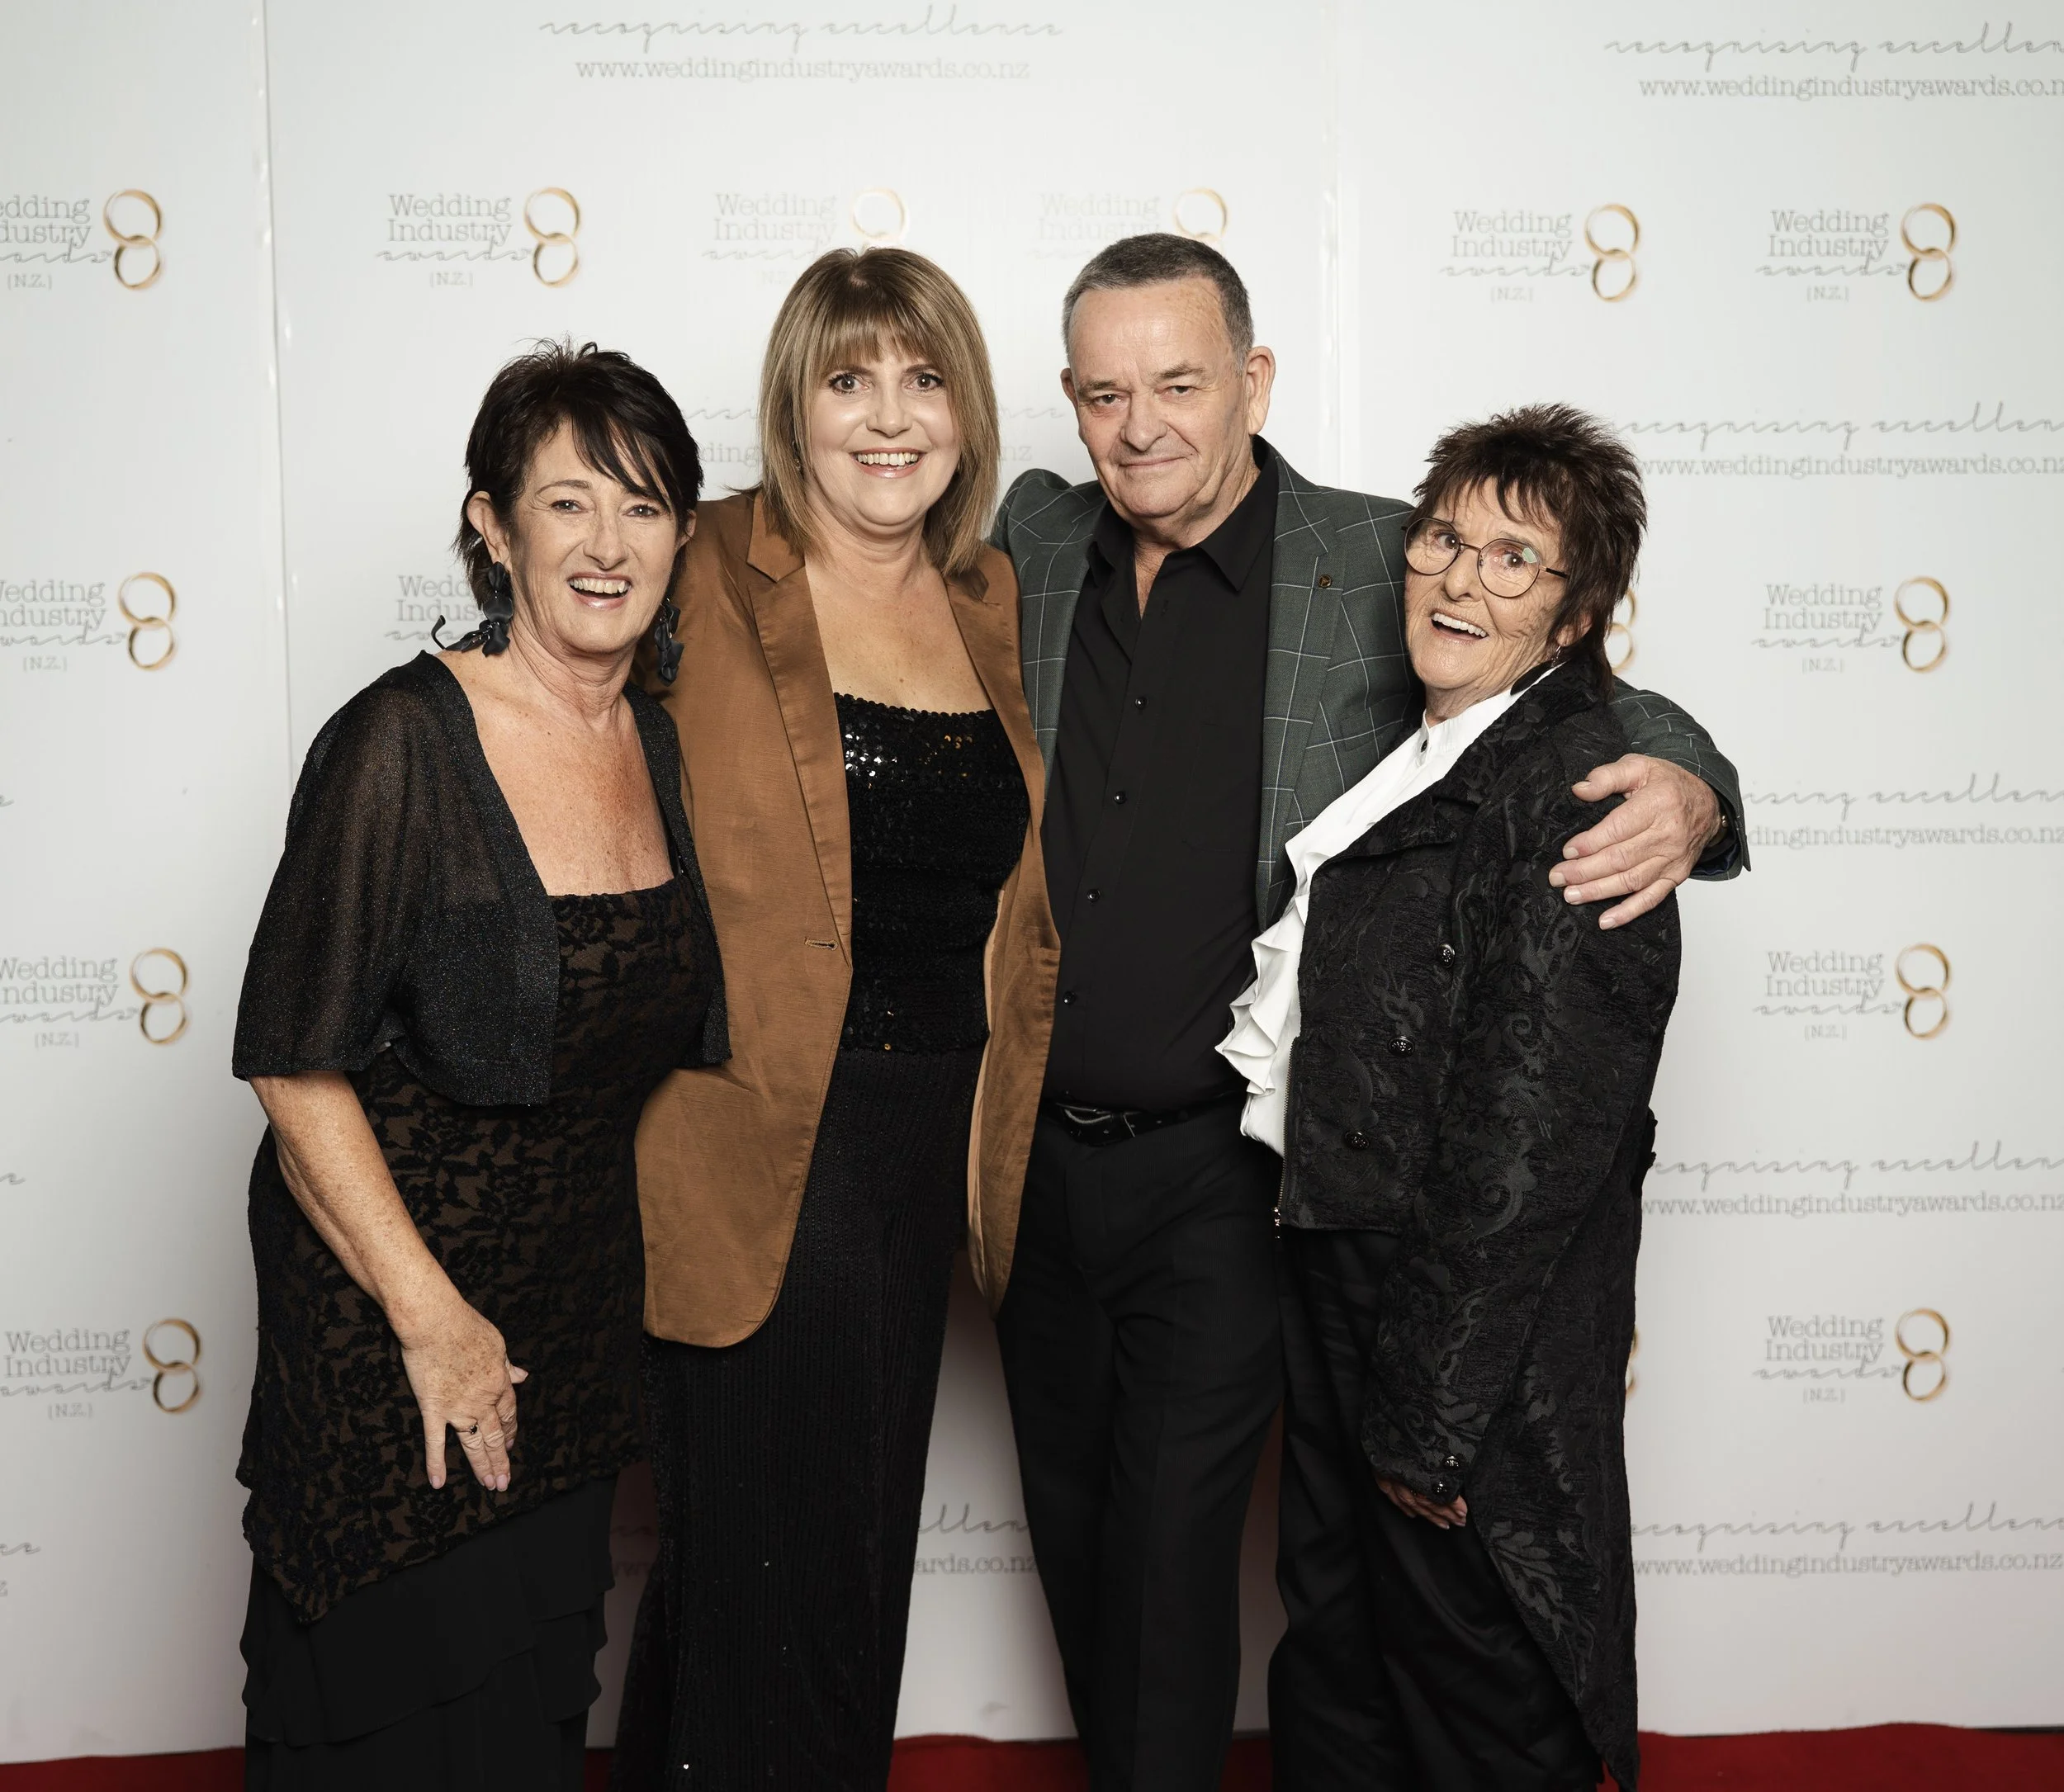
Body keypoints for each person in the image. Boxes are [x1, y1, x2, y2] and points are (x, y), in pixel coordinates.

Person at [985, 234, 1743, 1790]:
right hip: (1034, 1165)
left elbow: (1565, 667)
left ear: (1253, 383)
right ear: (1070, 402)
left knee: (1189, 1565)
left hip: (1230, 1173)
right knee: (1095, 1549)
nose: (1143, 427)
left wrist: (1692, 785)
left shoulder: (1381, 549)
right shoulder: (1032, 547)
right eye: (1107, 393)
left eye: (1181, 385)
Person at [230, 341, 727, 1790]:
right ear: (493, 526)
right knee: (390, 1723)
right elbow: (292, 1065)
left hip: (568, 1335)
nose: (607, 543)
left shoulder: (654, 740)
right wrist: (433, 1321)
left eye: (643, 507)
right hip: (395, 1329)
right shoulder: (401, 743)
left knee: (521, 1725)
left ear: (682, 535)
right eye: (567, 504)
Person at [613, 248, 1054, 1789]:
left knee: (841, 1557)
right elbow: (530, 689)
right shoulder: (698, 559)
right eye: (848, 379)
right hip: (751, 1139)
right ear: (792, 406)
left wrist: (1671, 765)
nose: (889, 418)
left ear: (968, 408)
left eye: (925, 379)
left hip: (925, 1143)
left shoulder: (996, 588)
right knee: (768, 1568)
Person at [1224, 404, 1676, 1791]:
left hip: (1460, 1325)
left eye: (1515, 559)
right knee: (1347, 1656)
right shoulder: (1429, 748)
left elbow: (1528, 1141)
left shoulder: (1582, 790)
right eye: (1443, 538)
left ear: (1581, 605)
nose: (1462, 579)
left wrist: (1430, 1405)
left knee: (1472, 1684)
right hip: (1343, 1267)